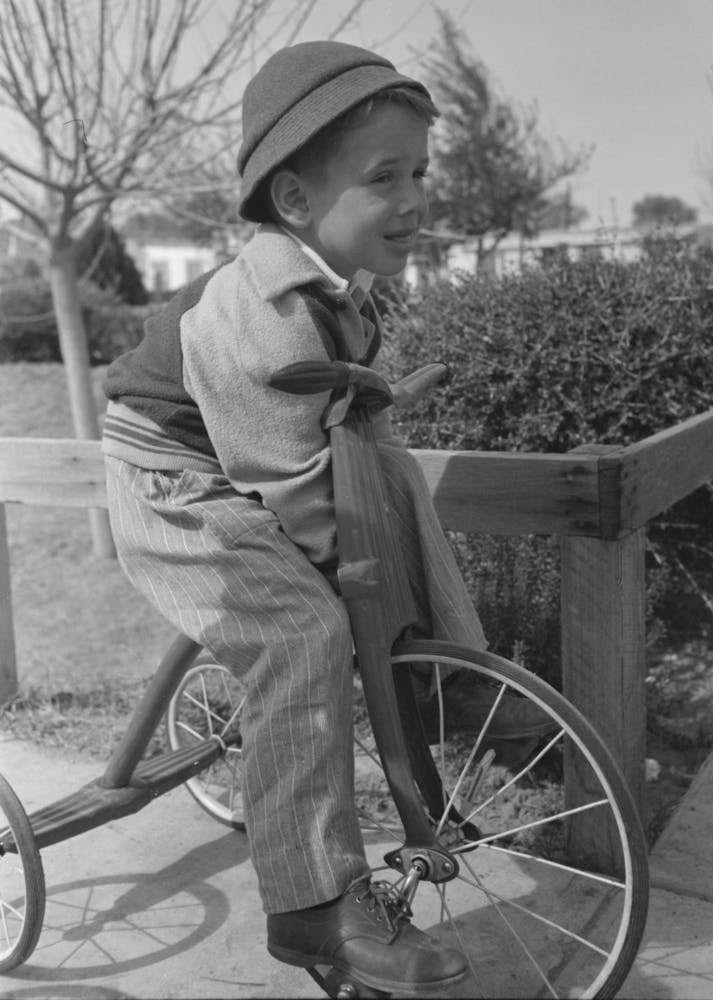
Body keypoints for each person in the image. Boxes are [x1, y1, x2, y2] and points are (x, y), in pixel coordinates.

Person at [101, 40, 551, 994]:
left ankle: (460, 692)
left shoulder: (342, 289)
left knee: (397, 492)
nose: (417, 198)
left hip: (254, 457)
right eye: (385, 177)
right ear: (296, 202)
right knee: (307, 627)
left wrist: (392, 549)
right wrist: (359, 593)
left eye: (421, 171)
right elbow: (287, 485)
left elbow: (339, 458)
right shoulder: (260, 311)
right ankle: (311, 904)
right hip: (175, 479)